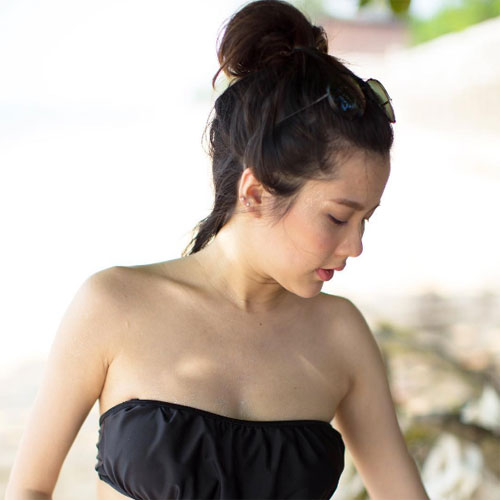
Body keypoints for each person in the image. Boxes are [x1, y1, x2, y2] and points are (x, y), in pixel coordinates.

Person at [6, 1, 431, 499]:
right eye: (338, 218)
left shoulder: (341, 335)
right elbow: (28, 489)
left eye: (366, 220)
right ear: (254, 193)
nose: (356, 246)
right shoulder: (114, 305)